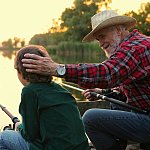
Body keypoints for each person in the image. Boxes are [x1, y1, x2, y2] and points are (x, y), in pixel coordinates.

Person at [21, 10, 150, 150]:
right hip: (143, 111)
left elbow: (107, 73)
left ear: (118, 30)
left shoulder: (134, 48)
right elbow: (130, 85)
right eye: (98, 39)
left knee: (90, 118)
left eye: (102, 36)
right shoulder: (137, 42)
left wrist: (58, 69)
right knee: (114, 105)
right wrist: (104, 92)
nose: (100, 44)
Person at [0, 45, 90, 150]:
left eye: (16, 70)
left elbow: (30, 135)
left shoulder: (29, 92)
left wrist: (19, 126)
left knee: (3, 137)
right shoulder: (59, 88)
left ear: (21, 71)